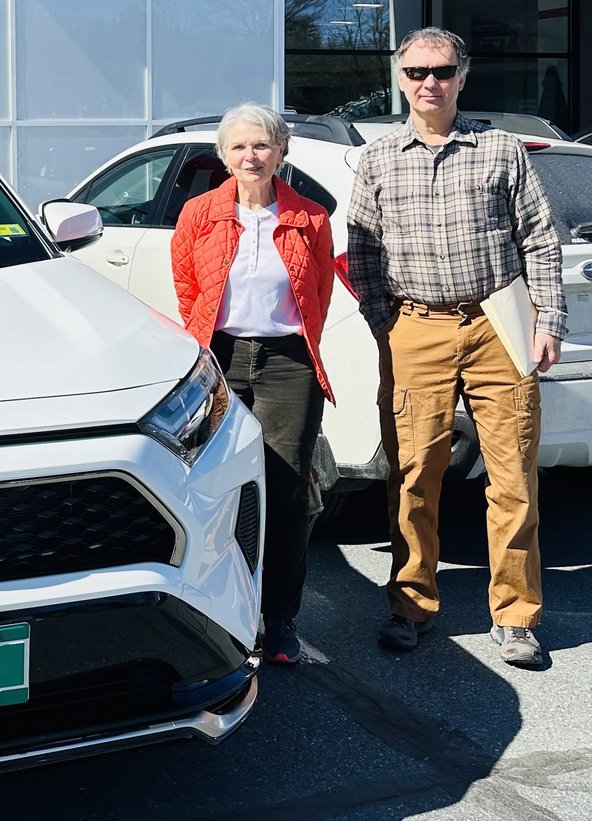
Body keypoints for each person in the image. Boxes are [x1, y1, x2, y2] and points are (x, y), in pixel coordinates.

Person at [347, 27, 566, 668]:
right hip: (415, 326)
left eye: (441, 71)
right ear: (400, 78)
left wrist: (547, 319)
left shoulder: (500, 151)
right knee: (414, 473)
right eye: (416, 72)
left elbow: (539, 238)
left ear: (462, 76)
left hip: (499, 322)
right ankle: (411, 606)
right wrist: (382, 319)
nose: (428, 82)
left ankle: (517, 617)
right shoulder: (381, 158)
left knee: (513, 475)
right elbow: (361, 249)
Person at [171, 103, 335, 665]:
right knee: (214, 486)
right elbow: (188, 288)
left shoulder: (310, 218)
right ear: (223, 155)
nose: (251, 156)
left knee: (286, 490)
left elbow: (316, 298)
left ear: (281, 152)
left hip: (289, 362)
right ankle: (214, 610)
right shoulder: (198, 213)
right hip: (219, 357)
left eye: (262, 145)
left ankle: (280, 618)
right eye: (239, 146)